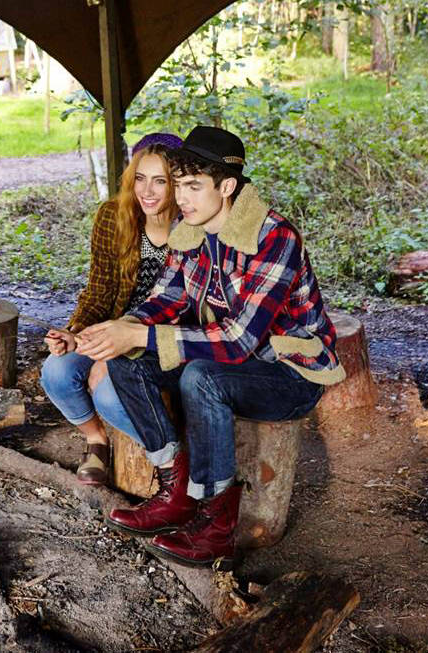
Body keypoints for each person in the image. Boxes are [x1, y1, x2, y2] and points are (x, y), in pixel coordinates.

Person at [75, 125, 345, 568]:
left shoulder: (274, 237)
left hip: (289, 373)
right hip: (226, 359)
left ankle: (216, 524)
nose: (181, 198)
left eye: (193, 186)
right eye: (178, 185)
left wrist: (139, 334)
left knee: (201, 377)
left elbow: (240, 340)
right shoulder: (191, 227)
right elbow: (167, 298)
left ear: (227, 186)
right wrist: (117, 329)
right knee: (128, 361)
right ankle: (176, 488)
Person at [40, 132, 183, 486]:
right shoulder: (113, 217)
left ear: (178, 184)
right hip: (111, 328)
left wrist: (115, 355)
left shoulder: (193, 228)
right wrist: (75, 332)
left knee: (107, 392)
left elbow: (185, 312)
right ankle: (96, 440)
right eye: (140, 179)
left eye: (160, 181)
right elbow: (99, 290)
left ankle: (176, 462)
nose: (147, 191)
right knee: (57, 370)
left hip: (159, 339)